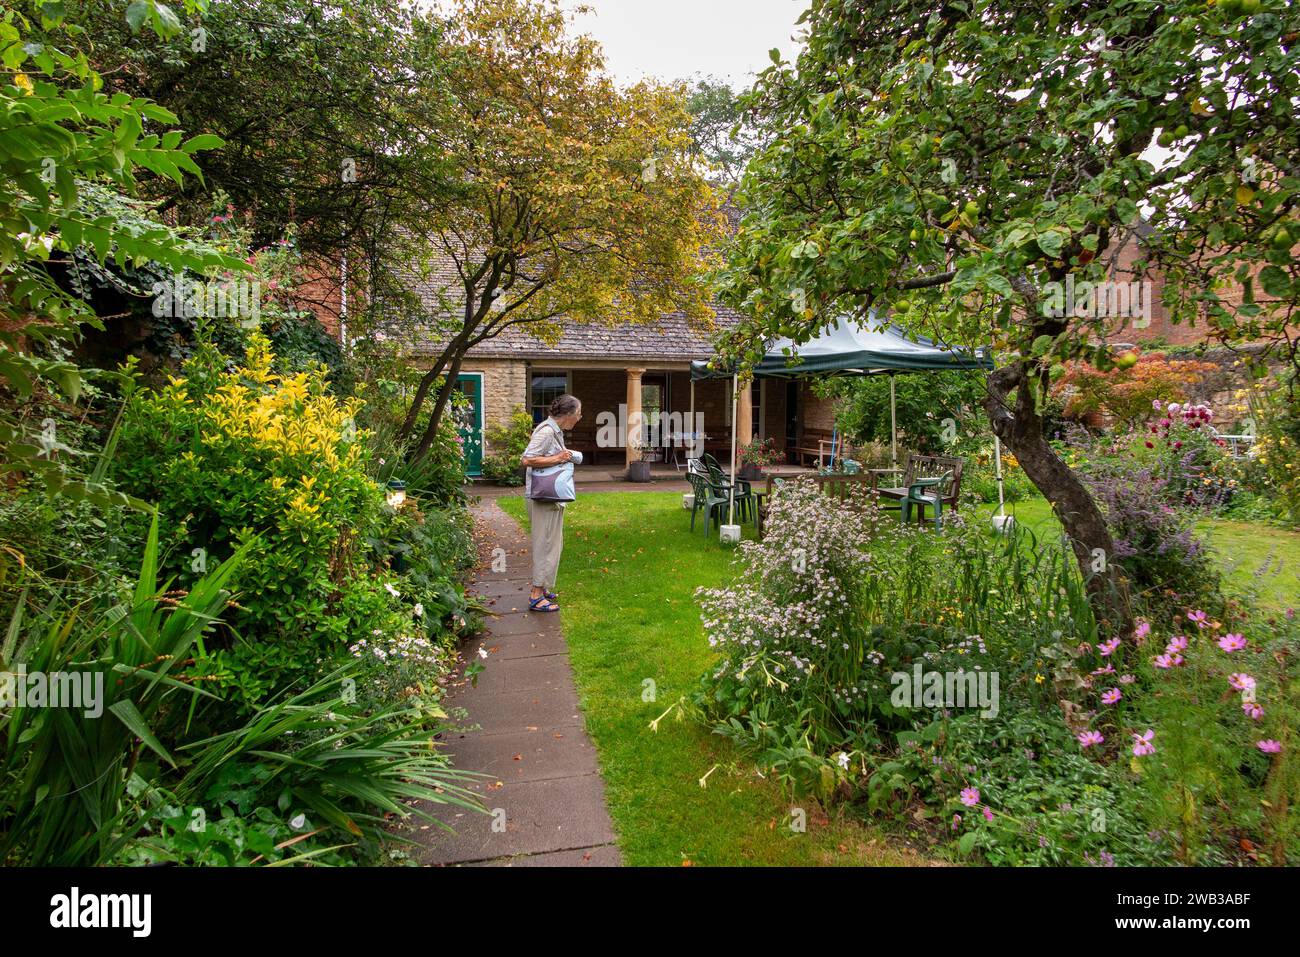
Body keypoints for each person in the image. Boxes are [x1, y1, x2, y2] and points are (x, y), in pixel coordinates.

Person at [520, 394, 582, 612]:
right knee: (545, 545)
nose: (580, 417)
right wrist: (559, 458)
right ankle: (536, 596)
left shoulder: (554, 431)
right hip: (542, 498)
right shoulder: (547, 431)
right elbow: (527, 459)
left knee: (553, 544)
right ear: (569, 415)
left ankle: (543, 587)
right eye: (579, 413)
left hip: (550, 497)